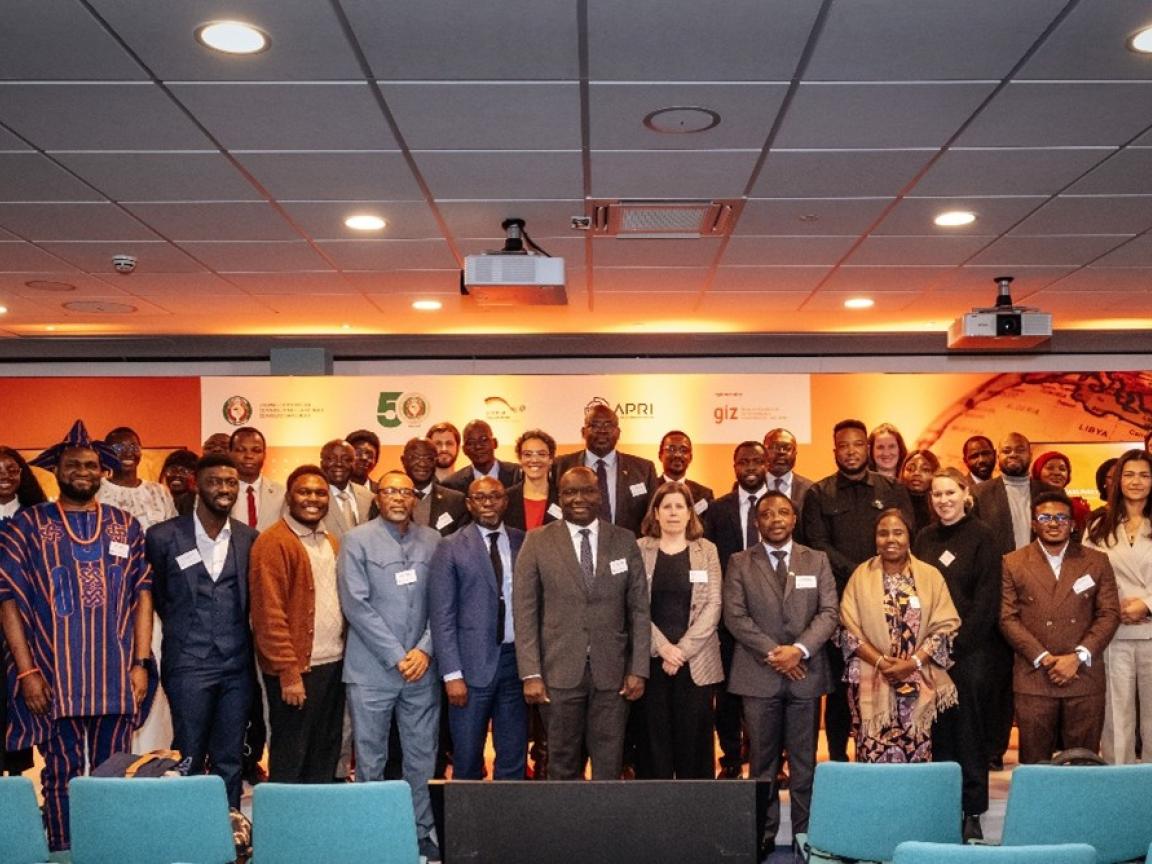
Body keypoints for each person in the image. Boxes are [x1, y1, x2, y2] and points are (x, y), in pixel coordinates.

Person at [0, 420, 153, 851]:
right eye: (73, 465)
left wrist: (141, 664)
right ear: (56, 470)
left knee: (114, 774)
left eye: (90, 464)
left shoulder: (126, 527)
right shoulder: (28, 526)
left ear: (103, 471)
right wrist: (27, 671)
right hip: (53, 676)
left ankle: (112, 852)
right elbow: (8, 598)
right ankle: (67, 853)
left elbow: (143, 596)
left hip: (116, 675)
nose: (82, 471)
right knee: (60, 775)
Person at [513, 466, 650, 780]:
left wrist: (638, 668)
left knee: (609, 762)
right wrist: (531, 673)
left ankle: (605, 829)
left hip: (613, 674)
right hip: (557, 673)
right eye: (570, 492)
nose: (578, 499)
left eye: (586, 490)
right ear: (560, 498)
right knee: (561, 762)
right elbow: (525, 613)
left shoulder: (624, 540)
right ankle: (564, 829)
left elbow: (639, 610)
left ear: (599, 495)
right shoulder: (537, 542)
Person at [724, 491, 837, 857]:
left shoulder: (816, 560)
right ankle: (762, 832)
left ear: (794, 519)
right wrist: (776, 654)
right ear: (757, 522)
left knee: (804, 763)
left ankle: (806, 837)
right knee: (762, 763)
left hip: (805, 673)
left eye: (783, 512)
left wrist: (799, 650)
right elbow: (735, 617)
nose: (775, 519)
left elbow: (829, 613)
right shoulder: (740, 562)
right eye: (767, 513)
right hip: (759, 675)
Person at [339, 470, 443, 862]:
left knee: (421, 756)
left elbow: (443, 603)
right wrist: (398, 655)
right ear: (378, 497)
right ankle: (372, 831)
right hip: (372, 672)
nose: (398, 498)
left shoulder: (433, 540)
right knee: (371, 757)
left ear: (415, 498)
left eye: (406, 491)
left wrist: (425, 650)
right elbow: (356, 605)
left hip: (421, 670)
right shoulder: (356, 540)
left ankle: (419, 830)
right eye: (390, 491)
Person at [146, 453, 257, 812]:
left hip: (237, 665)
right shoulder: (163, 537)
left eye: (230, 483)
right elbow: (161, 598)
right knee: (189, 752)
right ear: (197, 484)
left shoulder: (249, 538)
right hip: (188, 663)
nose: (224, 490)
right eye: (215, 482)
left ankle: (230, 826)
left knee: (230, 756)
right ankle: (190, 826)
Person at [801, 419, 913, 762]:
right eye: (843, 446)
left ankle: (885, 749)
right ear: (835, 450)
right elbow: (817, 544)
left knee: (885, 677)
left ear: (867, 448)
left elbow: (907, 536)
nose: (851, 451)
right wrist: (863, 574)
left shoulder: (892, 489)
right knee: (839, 686)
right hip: (840, 604)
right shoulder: (818, 493)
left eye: (857, 445)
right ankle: (838, 758)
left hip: (891, 601)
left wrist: (879, 577)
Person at [912, 468, 1000, 841]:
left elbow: (986, 600)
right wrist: (925, 648)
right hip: (927, 654)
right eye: (936, 494)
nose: (943, 500)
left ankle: (972, 811)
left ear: (966, 494)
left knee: (967, 733)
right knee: (934, 732)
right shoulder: (924, 537)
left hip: (969, 654)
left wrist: (954, 647)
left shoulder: (984, 537)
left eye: (950, 493)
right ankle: (940, 808)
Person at [1000, 491, 1120, 764]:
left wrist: (1077, 657)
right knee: (1035, 764)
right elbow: (1007, 618)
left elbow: (1109, 613)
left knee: (1085, 761)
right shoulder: (1013, 562)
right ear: (1033, 523)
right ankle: (1039, 809)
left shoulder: (1096, 560)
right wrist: (1044, 658)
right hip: (1034, 675)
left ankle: (1083, 808)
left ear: (1073, 524)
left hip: (1084, 674)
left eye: (1061, 517)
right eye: (1045, 517)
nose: (1053, 523)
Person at [249, 466, 346, 784]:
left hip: (332, 666)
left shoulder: (331, 541)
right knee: (293, 756)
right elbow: (268, 615)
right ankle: (284, 829)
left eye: (320, 493)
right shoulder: (273, 542)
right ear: (289, 496)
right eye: (304, 492)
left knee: (324, 752)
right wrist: (288, 673)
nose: (313, 499)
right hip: (296, 671)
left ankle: (316, 828)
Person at [839, 509, 959, 764]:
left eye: (898, 532)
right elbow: (847, 629)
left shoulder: (929, 576)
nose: (890, 539)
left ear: (909, 537)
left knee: (917, 750)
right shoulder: (861, 575)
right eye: (883, 533)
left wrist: (912, 663)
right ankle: (877, 804)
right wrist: (883, 663)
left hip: (917, 677)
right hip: (871, 678)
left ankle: (913, 803)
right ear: (875, 539)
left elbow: (945, 626)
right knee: (872, 750)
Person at [429, 477, 527, 780]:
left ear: (505, 501)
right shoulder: (450, 546)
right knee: (468, 758)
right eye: (480, 497)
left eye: (495, 496)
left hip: (516, 664)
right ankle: (467, 826)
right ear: (469, 504)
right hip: (469, 671)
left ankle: (508, 823)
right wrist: (452, 674)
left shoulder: (523, 541)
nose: (488, 503)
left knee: (513, 756)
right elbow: (441, 614)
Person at [972, 431, 1050, 769]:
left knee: (1037, 673)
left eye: (1020, 448)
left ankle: (1042, 753)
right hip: (996, 594)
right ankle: (993, 750)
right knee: (997, 678)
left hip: (1043, 595)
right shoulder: (979, 495)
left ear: (1031, 452)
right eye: (1006, 450)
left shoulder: (1049, 494)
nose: (1013, 454)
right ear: (998, 455)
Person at [97, 426, 178, 753]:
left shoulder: (159, 492)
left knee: (156, 668)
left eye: (133, 444)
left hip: (157, 599)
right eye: (118, 445)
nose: (127, 450)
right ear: (106, 452)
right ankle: (117, 753)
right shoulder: (98, 492)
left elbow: (174, 540)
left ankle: (154, 754)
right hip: (113, 601)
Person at [637, 481, 722, 779]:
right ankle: (656, 816)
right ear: (656, 514)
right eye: (667, 507)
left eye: (679, 506)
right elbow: (635, 607)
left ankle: (695, 817)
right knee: (653, 741)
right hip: (652, 660)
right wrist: (664, 649)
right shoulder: (640, 549)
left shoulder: (707, 550)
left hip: (695, 662)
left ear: (689, 514)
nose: (673, 513)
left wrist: (681, 651)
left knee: (694, 743)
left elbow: (713, 606)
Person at [705, 441, 771, 778]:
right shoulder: (718, 510)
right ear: (734, 465)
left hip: (773, 614)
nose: (749, 467)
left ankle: (770, 762)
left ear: (766, 464)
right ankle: (730, 758)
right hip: (729, 615)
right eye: (743, 461)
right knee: (728, 692)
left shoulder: (780, 507)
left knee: (769, 694)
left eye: (757, 461)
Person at [1084, 449, 1152, 764]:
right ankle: (1120, 787)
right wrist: (1112, 607)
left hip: (1150, 629)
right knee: (1116, 719)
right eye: (1129, 474)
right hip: (1114, 633)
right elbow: (1086, 575)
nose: (1136, 481)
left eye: (1144, 474)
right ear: (1117, 480)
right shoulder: (1099, 523)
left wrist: (1147, 605)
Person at [0, 446, 46, 778]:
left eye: (12, 469)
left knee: (22, 705)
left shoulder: (39, 517)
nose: (4, 474)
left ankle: (16, 787)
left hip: (29, 627)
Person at [552, 402, 658, 537]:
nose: (602, 430)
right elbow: (553, 511)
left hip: (627, 548)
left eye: (608, 425)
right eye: (594, 425)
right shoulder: (560, 466)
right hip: (574, 548)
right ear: (583, 432)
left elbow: (652, 516)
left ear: (618, 433)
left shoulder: (644, 469)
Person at [98, 426, 178, 529]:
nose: (128, 452)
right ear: (107, 452)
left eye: (134, 447)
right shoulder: (97, 489)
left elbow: (172, 532)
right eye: (119, 448)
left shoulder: (159, 492)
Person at [400, 438, 468, 537]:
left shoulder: (456, 501)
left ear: (436, 461)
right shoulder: (390, 499)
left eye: (429, 458)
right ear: (403, 460)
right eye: (415, 457)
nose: (422, 464)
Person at [228, 426, 284, 532]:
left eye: (256, 450)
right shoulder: (218, 492)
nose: (249, 455)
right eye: (241, 450)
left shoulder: (282, 494)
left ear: (264, 454)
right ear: (230, 453)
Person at [504, 428, 560, 532]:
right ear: (520, 459)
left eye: (542, 454)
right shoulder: (506, 499)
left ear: (551, 460)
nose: (534, 460)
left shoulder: (562, 497)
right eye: (527, 454)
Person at [442, 420, 521, 493]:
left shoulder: (518, 474)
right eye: (471, 442)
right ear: (464, 450)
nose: (478, 446)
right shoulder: (452, 485)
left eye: (484, 439)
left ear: (495, 443)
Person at [320, 439, 373, 542]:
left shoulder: (369, 497)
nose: (339, 464)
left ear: (354, 463)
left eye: (346, 459)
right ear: (322, 462)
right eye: (331, 459)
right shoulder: (312, 498)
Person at [1031, 450, 1092, 535]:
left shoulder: (1079, 509)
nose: (1057, 473)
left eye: (1062, 469)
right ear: (1038, 472)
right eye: (1050, 468)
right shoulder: (1026, 504)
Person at [763, 427, 814, 523]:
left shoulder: (810, 489)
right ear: (763, 452)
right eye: (774, 447)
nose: (781, 452)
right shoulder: (751, 487)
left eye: (787, 448)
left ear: (795, 454)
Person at [656, 431, 714, 515]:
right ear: (660, 455)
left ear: (690, 457)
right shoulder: (650, 490)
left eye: (684, 450)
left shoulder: (704, 495)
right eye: (671, 449)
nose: (678, 454)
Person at [900, 449, 940, 536]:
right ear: (902, 472)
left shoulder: (941, 505)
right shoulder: (892, 502)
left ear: (935, 474)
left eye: (925, 470)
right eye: (910, 469)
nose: (916, 473)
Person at [160, 448, 199, 516]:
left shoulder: (199, 503)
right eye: (172, 470)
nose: (177, 475)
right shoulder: (159, 500)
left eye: (183, 471)